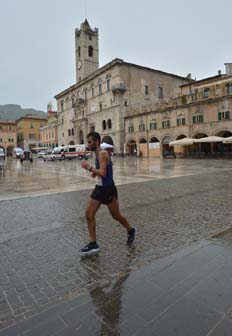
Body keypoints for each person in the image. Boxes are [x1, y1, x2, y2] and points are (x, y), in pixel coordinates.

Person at [80, 132, 136, 256]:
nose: (88, 144)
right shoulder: (97, 154)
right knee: (89, 214)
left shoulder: (103, 153)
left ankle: (130, 230)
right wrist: (95, 172)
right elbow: (100, 171)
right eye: (88, 141)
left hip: (108, 189)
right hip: (99, 189)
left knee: (116, 216)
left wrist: (89, 167)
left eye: (90, 142)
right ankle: (93, 243)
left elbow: (104, 173)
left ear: (97, 141)